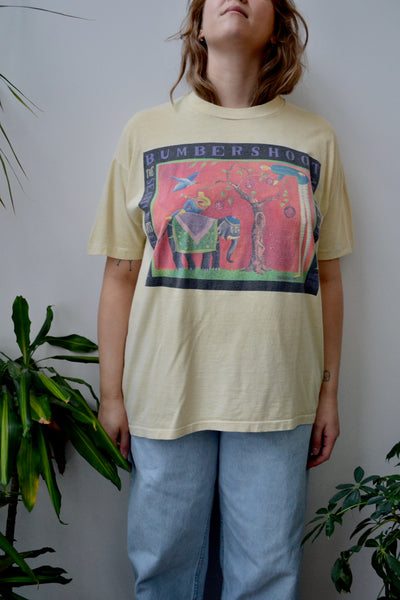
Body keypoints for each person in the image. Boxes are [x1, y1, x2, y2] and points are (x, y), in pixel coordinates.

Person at [88, 0, 354, 598]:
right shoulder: (146, 132)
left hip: (277, 393)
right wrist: (112, 395)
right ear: (199, 24)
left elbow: (328, 277)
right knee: (162, 571)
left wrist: (329, 393)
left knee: (267, 577)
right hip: (164, 391)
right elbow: (120, 275)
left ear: (277, 27)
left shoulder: (314, 138)